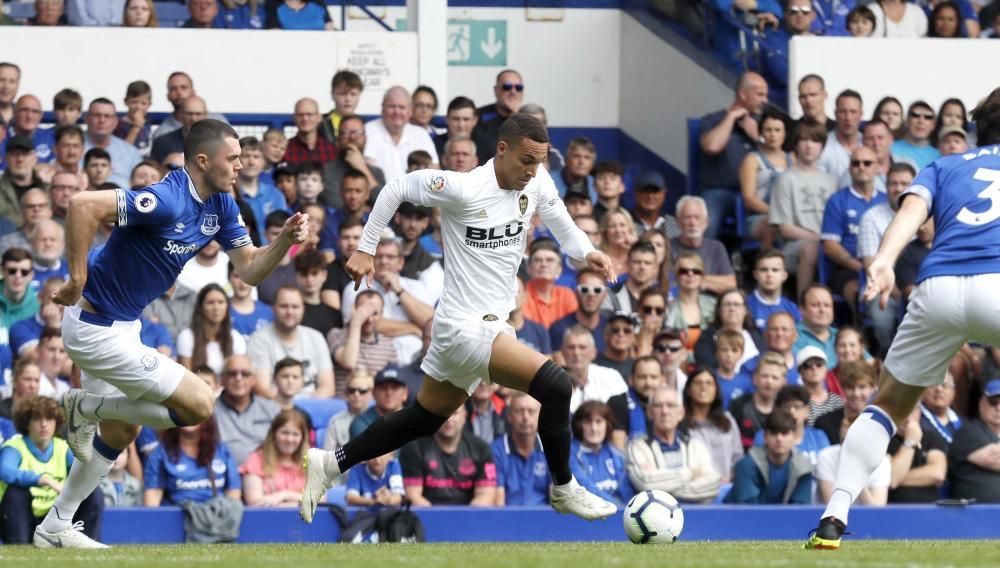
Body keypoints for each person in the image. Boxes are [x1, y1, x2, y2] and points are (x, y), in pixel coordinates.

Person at [300, 113, 619, 523]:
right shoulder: (464, 187)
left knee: (422, 419)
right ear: (501, 149)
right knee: (556, 385)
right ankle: (563, 487)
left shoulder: (535, 181)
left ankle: (331, 463)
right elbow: (396, 187)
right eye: (525, 160)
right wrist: (366, 247)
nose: (531, 171)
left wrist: (587, 251)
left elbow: (562, 223)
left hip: (487, 324)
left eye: (538, 163)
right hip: (465, 327)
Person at [37, 120, 308, 549]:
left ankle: (56, 523)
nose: (240, 166)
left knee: (122, 431)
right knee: (200, 403)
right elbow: (81, 205)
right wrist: (75, 277)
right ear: (203, 161)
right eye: (232, 158)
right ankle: (85, 407)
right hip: (94, 328)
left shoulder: (221, 204)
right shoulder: (167, 197)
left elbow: (251, 268)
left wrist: (284, 242)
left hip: (123, 326)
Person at [807, 92, 1000, 548]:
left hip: (936, 289)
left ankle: (834, 516)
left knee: (888, 406)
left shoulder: (946, 165)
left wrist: (884, 261)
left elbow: (911, 212)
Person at [0, 396, 103, 544]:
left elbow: (84, 476)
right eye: (37, 419)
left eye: (49, 419)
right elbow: (6, 471)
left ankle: (86, 542)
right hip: (22, 519)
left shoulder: (62, 448)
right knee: (17, 492)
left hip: (55, 519)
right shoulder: (14, 447)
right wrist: (43, 479)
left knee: (93, 492)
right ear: (26, 423)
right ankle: (20, 544)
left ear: (56, 422)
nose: (44, 425)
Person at [625, 385, 721, 503]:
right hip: (655, 518)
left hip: (696, 517)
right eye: (658, 406)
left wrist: (661, 488)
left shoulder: (696, 446)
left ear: (681, 413)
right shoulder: (637, 447)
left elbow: (713, 483)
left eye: (670, 405)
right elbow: (645, 482)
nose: (665, 411)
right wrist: (690, 473)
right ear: (650, 412)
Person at [399, 405, 497, 506]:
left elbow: (486, 495)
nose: (449, 419)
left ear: (464, 416)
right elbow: (412, 496)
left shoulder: (481, 448)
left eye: (455, 413)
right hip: (426, 517)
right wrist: (438, 519)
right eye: (443, 413)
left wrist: (466, 519)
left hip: (468, 518)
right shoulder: (414, 448)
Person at [143, 417, 242, 506]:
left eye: (193, 411)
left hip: (215, 520)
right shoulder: (160, 453)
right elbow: (152, 497)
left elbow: (233, 492)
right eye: (183, 412)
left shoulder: (222, 450)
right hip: (175, 520)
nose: (188, 415)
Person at [726, 411, 813, 504]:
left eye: (785, 433)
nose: (779, 438)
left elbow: (800, 510)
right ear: (765, 436)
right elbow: (747, 510)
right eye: (774, 433)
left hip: (786, 518)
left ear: (794, 436)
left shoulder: (804, 467)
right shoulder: (745, 465)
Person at [214, 354, 281, 466]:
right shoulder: (210, 410)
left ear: (254, 379)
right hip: (226, 475)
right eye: (232, 373)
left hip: (265, 473)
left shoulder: (272, 408)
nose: (238, 378)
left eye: (245, 374)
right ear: (222, 379)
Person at [681, 367, 744, 483]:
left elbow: (737, 457)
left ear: (716, 390)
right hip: (695, 490)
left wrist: (731, 479)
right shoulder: (680, 424)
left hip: (727, 488)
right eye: (698, 383)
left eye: (709, 383)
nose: (703, 387)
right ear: (688, 390)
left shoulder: (728, 421)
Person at [570, 401, 634, 507]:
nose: (594, 429)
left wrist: (629, 510)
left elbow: (626, 491)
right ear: (579, 425)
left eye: (598, 422)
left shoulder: (615, 454)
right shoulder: (569, 455)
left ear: (607, 424)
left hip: (618, 515)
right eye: (588, 422)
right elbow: (585, 489)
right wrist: (618, 509)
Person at [815, 414, 890, 505]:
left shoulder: (882, 462)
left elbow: (877, 512)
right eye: (843, 441)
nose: (846, 448)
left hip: (866, 518)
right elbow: (832, 508)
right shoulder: (826, 457)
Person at [240, 410, 309, 507]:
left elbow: (321, 499)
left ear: (302, 438)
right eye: (284, 433)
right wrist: (302, 502)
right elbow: (255, 502)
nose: (290, 439)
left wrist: (285, 495)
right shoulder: (256, 460)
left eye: (295, 434)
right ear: (274, 434)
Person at [491, 392, 550, 506]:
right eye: (519, 411)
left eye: (531, 411)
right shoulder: (496, 450)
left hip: (543, 520)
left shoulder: (552, 449)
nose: (525, 417)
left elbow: (556, 500)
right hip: (509, 519)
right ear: (509, 416)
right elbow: (498, 501)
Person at [176, 283, 247, 376]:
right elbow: (186, 377)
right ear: (201, 307)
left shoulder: (236, 338)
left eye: (221, 302)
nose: (216, 308)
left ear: (227, 306)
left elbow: (239, 374)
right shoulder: (187, 337)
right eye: (210, 303)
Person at [947, 379, 1000, 503]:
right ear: (981, 404)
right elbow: (993, 460)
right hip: (975, 513)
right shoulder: (969, 431)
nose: (998, 407)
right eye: (993, 402)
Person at [887, 405, 947, 503]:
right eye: (903, 411)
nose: (908, 416)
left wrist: (898, 476)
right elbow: (893, 480)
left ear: (919, 412)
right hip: (894, 510)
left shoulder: (931, 437)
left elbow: (937, 474)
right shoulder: (886, 439)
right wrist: (910, 442)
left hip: (928, 510)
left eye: (912, 410)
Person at [324, 369, 374, 451]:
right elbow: (328, 457)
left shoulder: (379, 418)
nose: (356, 394)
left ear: (372, 393)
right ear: (345, 393)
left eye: (362, 391)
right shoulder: (336, 421)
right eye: (352, 390)